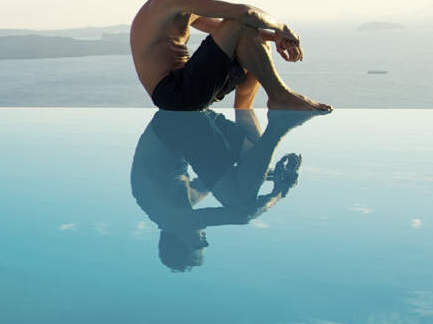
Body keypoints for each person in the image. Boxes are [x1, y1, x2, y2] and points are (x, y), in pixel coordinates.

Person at [130, 0, 330, 111]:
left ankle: (244, 114)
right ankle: (281, 96)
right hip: (174, 92)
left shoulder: (175, 7)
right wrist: (281, 28)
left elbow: (224, 31)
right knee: (237, 22)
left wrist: (274, 37)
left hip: (187, 90)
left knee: (258, 47)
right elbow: (244, 14)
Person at [130, 108, 317, 272]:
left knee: (240, 199)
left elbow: (243, 215)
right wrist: (268, 173)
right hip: (185, 116)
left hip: (179, 126)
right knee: (255, 159)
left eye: (197, 245)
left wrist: (280, 191)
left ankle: (279, 125)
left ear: (177, 239)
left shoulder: (171, 219)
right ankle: (245, 100)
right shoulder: (172, 202)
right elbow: (212, 180)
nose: (205, 241)